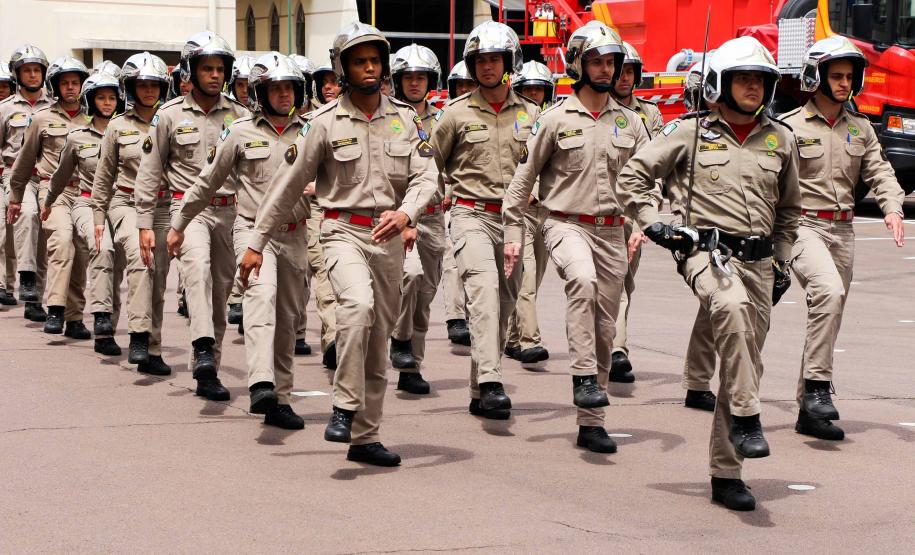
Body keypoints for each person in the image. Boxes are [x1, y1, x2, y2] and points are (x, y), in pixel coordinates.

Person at [616, 37, 801, 511]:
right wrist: (653, 223)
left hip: (761, 263)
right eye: (743, 79)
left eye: (760, 80)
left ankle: (726, 474)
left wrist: (782, 261)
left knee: (745, 362)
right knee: (731, 307)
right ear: (721, 83)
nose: (753, 87)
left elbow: (789, 211)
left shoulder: (781, 139)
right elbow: (632, 177)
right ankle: (749, 416)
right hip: (705, 253)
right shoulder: (689, 132)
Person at [239, 21, 437, 466]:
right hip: (341, 231)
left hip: (388, 236)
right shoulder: (322, 124)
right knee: (357, 307)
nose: (369, 68)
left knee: (378, 340)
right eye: (359, 61)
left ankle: (365, 437)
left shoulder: (407, 119)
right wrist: (256, 243)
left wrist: (407, 213)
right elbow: (286, 188)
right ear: (343, 68)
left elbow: (427, 177)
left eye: (375, 61)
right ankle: (344, 405)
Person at [504, 21, 648, 453]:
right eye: (596, 61)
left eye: (611, 62)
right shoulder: (553, 120)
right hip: (565, 224)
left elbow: (648, 180)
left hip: (613, 232)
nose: (605, 70)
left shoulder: (631, 123)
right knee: (581, 281)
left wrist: (642, 224)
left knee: (606, 327)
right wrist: (513, 234)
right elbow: (522, 180)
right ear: (578, 65)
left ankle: (591, 422)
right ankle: (583, 376)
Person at [170, 52, 310, 429]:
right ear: (260, 93)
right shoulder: (240, 131)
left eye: (290, 87)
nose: (284, 94)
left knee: (288, 318)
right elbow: (208, 181)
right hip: (252, 233)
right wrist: (179, 223)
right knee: (260, 298)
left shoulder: (312, 131)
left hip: (296, 234)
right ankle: (261, 382)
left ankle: (280, 399)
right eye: (275, 88)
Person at [783, 36, 905, 441]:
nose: (844, 83)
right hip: (803, 227)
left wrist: (892, 208)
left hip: (843, 231)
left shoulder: (860, 128)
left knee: (829, 313)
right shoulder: (789, 127)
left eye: (849, 77)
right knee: (828, 292)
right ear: (815, 76)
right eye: (836, 76)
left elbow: (880, 172)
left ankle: (809, 410)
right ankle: (819, 387)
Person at [431, 21, 539, 420]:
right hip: (470, 215)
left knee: (505, 305)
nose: (488, 67)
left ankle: (479, 389)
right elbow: (428, 166)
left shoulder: (533, 114)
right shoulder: (454, 114)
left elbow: (547, 168)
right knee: (484, 294)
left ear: (509, 62)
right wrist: (419, 211)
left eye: (495, 59)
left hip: (514, 223)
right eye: (481, 60)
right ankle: (494, 382)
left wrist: (539, 194)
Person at [134, 31, 250, 401]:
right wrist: (144, 224)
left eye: (220, 69)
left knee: (220, 292)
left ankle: (208, 370)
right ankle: (201, 346)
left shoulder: (241, 116)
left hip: (230, 212)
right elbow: (150, 171)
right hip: (188, 212)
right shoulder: (168, 115)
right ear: (191, 71)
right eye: (207, 68)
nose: (215, 75)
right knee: (196, 270)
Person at [92, 52, 173, 376]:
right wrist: (98, 217)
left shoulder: (171, 120)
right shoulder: (117, 126)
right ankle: (138, 334)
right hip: (125, 203)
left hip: (164, 206)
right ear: (130, 88)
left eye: (154, 84)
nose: (149, 90)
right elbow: (103, 176)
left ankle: (153, 348)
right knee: (142, 259)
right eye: (142, 85)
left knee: (158, 279)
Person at [8, 56, 91, 338]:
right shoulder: (42, 118)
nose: (71, 88)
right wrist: (16, 197)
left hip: (86, 193)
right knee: (61, 242)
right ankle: (55, 308)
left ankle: (75, 317)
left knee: (81, 253)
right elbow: (24, 161)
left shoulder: (94, 119)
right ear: (55, 86)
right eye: (65, 83)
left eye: (75, 82)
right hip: (52, 193)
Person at [46, 71, 123, 356]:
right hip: (87, 204)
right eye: (101, 97)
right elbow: (60, 175)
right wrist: (48, 202)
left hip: (122, 206)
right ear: (91, 100)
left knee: (116, 273)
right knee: (102, 248)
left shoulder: (131, 133)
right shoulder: (77, 136)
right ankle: (100, 316)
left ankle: (106, 333)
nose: (107, 102)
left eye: (112, 97)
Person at [607, 41, 665, 382]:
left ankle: (616, 349)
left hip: (634, 210)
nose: (625, 78)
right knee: (599, 284)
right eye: (620, 71)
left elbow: (656, 167)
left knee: (624, 281)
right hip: (599, 210)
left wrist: (648, 216)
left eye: (630, 71)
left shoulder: (650, 115)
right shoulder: (596, 109)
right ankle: (606, 346)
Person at [388, 43, 444, 394]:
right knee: (410, 276)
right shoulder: (387, 118)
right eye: (408, 77)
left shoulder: (444, 119)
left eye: (420, 77)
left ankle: (412, 368)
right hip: (397, 216)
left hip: (434, 217)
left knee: (425, 296)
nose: (414, 83)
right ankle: (399, 339)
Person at [504, 60, 555, 365]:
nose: (534, 94)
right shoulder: (509, 118)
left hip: (545, 211)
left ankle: (511, 339)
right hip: (520, 209)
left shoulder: (555, 119)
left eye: (539, 89)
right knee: (526, 277)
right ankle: (529, 341)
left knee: (534, 281)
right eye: (528, 88)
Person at [0, 46, 53, 313]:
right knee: (28, 214)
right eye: (26, 71)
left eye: (36, 70)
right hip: (14, 175)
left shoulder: (54, 107)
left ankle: (35, 301)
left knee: (43, 239)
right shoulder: (5, 108)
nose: (32, 75)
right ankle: (25, 276)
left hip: (46, 176)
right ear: (17, 75)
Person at [440, 60, 475, 346]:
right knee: (452, 259)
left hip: (486, 201)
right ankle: (455, 317)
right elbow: (435, 160)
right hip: (450, 200)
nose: (464, 89)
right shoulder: (448, 116)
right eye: (459, 85)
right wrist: (445, 190)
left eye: (469, 84)